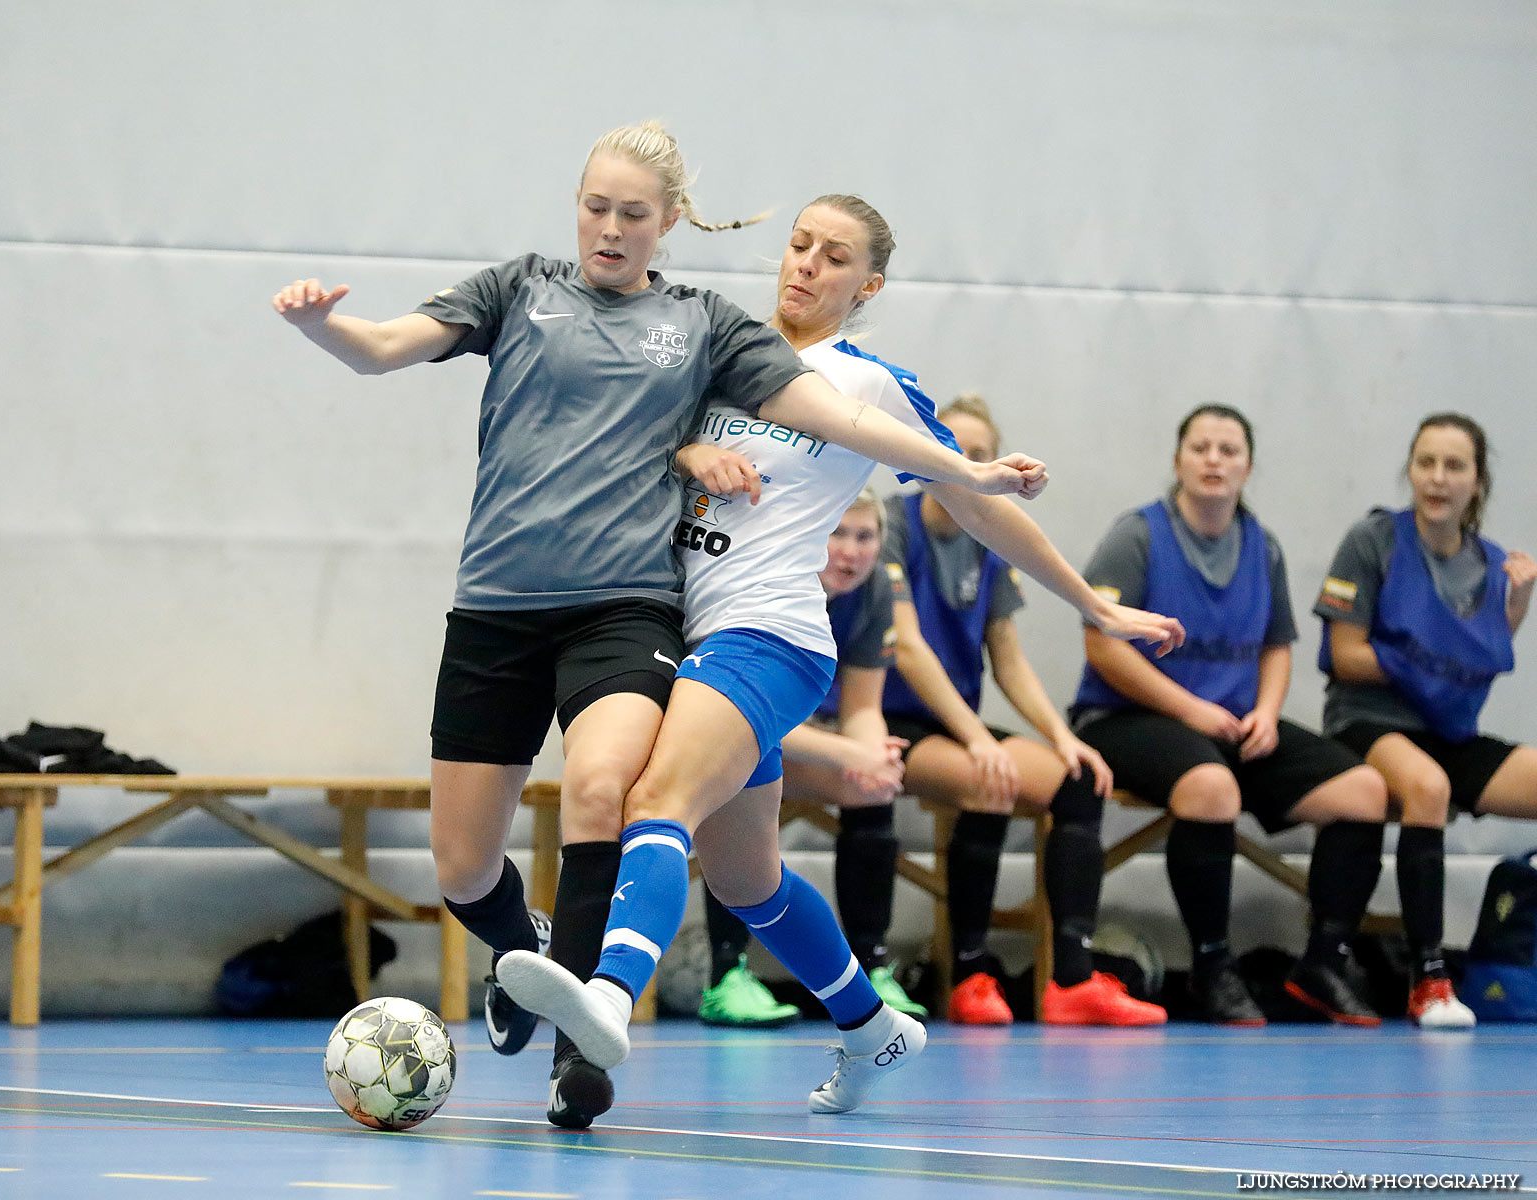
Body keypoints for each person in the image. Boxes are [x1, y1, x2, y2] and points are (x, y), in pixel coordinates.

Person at [272, 126, 1046, 1130]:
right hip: (498, 608)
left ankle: (582, 1058)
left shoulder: (708, 328)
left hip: (632, 608)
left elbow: (841, 423)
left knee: (615, 794)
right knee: (486, 865)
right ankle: (849, 1019)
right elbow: (381, 349)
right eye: (596, 205)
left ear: (670, 223)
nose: (610, 227)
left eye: (634, 213)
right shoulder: (520, 290)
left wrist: (962, 470)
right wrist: (323, 327)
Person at [496, 194, 1183, 1116]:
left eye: (834, 256)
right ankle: (870, 1026)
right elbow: (627, 447)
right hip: (683, 633)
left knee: (654, 800)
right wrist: (689, 451)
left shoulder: (862, 383)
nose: (807, 265)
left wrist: (1094, 603)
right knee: (748, 879)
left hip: (769, 635)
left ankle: (609, 998)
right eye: (798, 244)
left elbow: (978, 503)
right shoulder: (716, 347)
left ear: (870, 284)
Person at [1071, 404, 1390, 1026]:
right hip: (1123, 718)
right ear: (1178, 460)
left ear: (1247, 467)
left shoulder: (1261, 545)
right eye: (1201, 448)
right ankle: (1212, 967)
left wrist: (1268, 712)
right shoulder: (1137, 535)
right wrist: (1192, 710)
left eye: (1229, 450)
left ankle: (1324, 960)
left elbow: (1277, 644)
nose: (1214, 460)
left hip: (1233, 723)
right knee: (1212, 787)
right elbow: (1101, 642)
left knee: (1363, 790)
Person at [879, 394, 1167, 1026]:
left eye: (977, 452)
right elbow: (908, 650)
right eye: (948, 443)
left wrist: (1063, 737)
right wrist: (976, 738)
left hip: (957, 723)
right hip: (885, 716)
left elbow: (1006, 658)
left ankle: (1071, 978)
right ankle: (972, 972)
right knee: (987, 779)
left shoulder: (987, 538)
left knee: (1078, 778)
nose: (960, 458)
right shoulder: (894, 524)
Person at [1314, 412, 1537, 1028]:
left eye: (1454, 466)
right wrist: (1430, 663)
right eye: (1426, 463)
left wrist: (1515, 605)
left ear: (1478, 481)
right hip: (1367, 722)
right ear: (1410, 470)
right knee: (1429, 786)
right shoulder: (1373, 542)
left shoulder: (1494, 566)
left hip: (1449, 728)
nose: (1437, 479)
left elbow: (1480, 658)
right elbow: (1346, 654)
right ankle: (1430, 977)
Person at [696, 490, 912, 1028]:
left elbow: (863, 705)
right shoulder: (775, 582)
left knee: (871, 788)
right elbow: (750, 713)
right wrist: (849, 751)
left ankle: (870, 965)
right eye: (838, 534)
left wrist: (872, 756)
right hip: (727, 724)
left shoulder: (874, 589)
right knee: (738, 773)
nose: (851, 552)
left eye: (865, 537)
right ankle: (726, 975)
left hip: (798, 735)